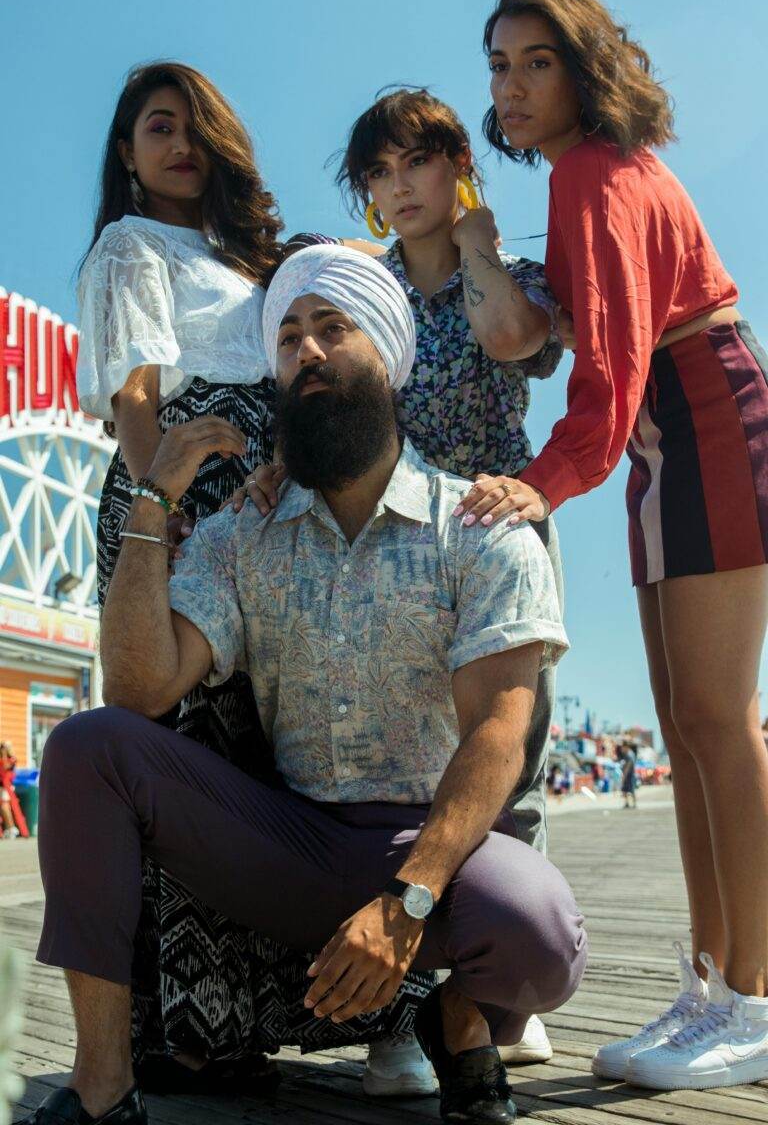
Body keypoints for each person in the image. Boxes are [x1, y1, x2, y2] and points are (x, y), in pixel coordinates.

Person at [23, 245, 586, 1125]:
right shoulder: (242, 530)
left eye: (333, 327)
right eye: (287, 338)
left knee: (541, 932)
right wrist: (153, 495)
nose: (308, 351)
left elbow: (498, 737)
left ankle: (459, 1017)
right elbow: (140, 688)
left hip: (427, 847)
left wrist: (410, 900)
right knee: (89, 746)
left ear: (390, 355)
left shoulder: (479, 527)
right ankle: (102, 1092)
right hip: (285, 841)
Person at [456, 0, 768, 1092]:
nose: (515, 84)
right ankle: (709, 983)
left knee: (719, 721)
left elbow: (614, 366)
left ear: (584, 68)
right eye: (500, 65)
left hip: (700, 412)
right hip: (658, 434)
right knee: (685, 727)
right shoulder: (580, 181)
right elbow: (554, 333)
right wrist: (488, 249)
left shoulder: (597, 171)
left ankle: (754, 999)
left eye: (538, 60)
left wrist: (541, 483)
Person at [78, 60, 408, 1091]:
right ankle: (180, 1028)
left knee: (271, 742)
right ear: (127, 157)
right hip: (185, 482)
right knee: (185, 747)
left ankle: (260, 1017)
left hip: (278, 486)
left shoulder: (262, 259)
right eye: (155, 128)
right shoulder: (131, 244)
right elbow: (137, 390)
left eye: (193, 126)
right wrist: (159, 506)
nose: (179, 143)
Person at [239, 88, 567, 1068]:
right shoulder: (360, 290)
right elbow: (327, 400)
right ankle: (405, 1011)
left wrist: (476, 244)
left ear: (453, 164)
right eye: (378, 173)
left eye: (415, 161)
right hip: (396, 546)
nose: (398, 185)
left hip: (498, 530)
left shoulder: (506, 270)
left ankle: (493, 990)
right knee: (405, 768)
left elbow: (524, 341)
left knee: (519, 763)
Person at [0, 743, 27, 840]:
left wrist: (4, 754)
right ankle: (8, 828)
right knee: (4, 808)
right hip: (2, 787)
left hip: (7, 787)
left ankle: (11, 828)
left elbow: (6, 767)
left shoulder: (11, 759)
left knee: (5, 807)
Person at [619, 745, 637, 809]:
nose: (621, 749)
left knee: (631, 790)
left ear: (626, 748)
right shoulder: (625, 757)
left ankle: (634, 804)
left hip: (629, 776)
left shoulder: (629, 756)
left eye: (623, 748)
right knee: (625, 790)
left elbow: (627, 767)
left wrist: (624, 777)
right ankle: (627, 803)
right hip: (627, 776)